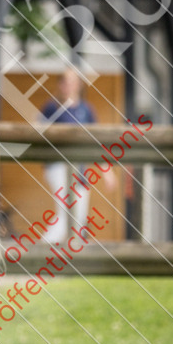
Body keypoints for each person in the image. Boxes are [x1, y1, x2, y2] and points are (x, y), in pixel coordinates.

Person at [39, 68, 115, 242]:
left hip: (80, 170)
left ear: (79, 85)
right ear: (60, 84)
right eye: (65, 82)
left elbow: (95, 141)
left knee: (80, 219)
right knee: (65, 214)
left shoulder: (86, 110)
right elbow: (37, 131)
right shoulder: (51, 108)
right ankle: (39, 253)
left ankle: (75, 263)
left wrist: (106, 171)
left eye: (73, 82)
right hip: (57, 167)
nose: (69, 86)